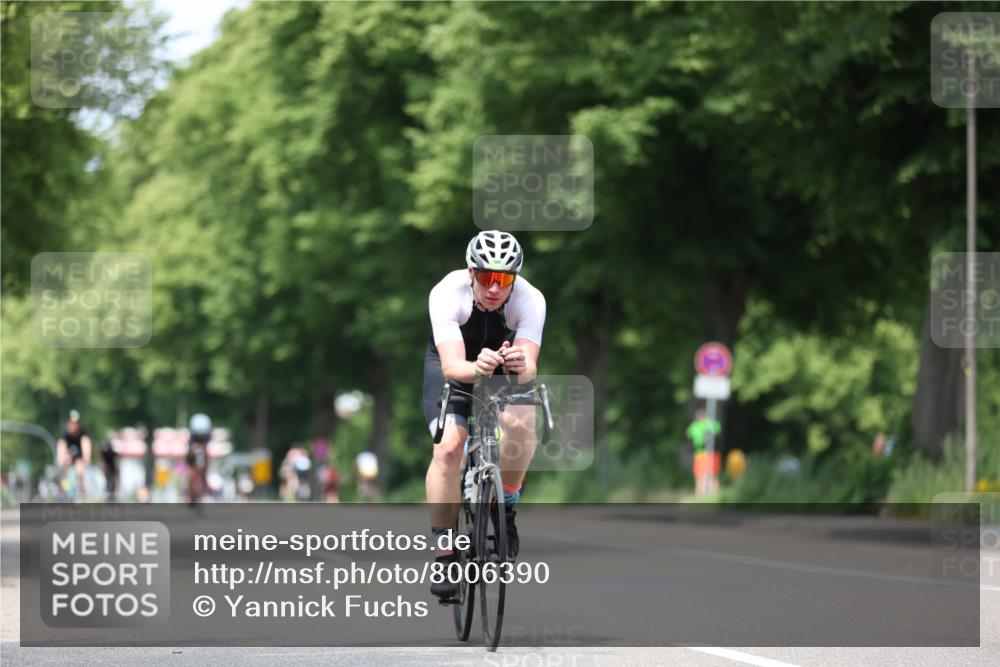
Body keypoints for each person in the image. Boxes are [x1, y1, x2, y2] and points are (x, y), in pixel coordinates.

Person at [422, 230, 546, 600]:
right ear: (470, 272)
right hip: (457, 364)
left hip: (500, 366)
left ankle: (504, 507)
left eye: (504, 279)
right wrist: (478, 368)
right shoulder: (447, 293)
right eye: (487, 277)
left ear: (515, 279)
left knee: (523, 428)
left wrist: (520, 363)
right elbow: (452, 367)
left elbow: (528, 371)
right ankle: (446, 551)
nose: (495, 288)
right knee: (448, 449)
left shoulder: (530, 299)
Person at [56, 410, 92, 499]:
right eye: (72, 423)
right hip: (69, 456)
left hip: (79, 456)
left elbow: (86, 445)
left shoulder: (84, 432)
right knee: (65, 469)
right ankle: (64, 492)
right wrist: (61, 460)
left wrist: (86, 457)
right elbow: (61, 447)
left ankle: (82, 492)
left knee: (80, 469)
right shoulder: (65, 434)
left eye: (76, 423)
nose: (74, 425)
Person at [686, 408, 721, 495]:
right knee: (712, 475)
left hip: (701, 453)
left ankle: (700, 495)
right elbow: (718, 429)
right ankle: (714, 495)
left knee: (700, 476)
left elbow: (688, 434)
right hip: (712, 453)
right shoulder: (711, 423)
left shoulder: (694, 425)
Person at [186, 413, 212, 504]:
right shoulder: (191, 438)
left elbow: (207, 448)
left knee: (206, 465)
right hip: (192, 456)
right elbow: (189, 451)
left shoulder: (208, 436)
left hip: (202, 454)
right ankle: (189, 492)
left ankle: (205, 485)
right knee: (191, 473)